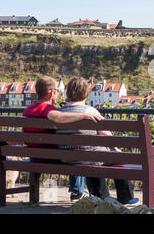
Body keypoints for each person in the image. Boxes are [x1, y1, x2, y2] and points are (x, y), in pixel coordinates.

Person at [57, 76, 139, 206]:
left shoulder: (59, 113)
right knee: (113, 156)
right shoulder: (90, 111)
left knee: (93, 154)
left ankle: (101, 195)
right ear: (86, 93)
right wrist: (117, 150)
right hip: (89, 157)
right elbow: (107, 135)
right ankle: (126, 197)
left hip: (66, 159)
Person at [22, 75, 105, 201]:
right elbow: (58, 118)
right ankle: (78, 191)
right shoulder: (47, 109)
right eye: (57, 91)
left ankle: (78, 191)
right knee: (76, 146)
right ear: (52, 92)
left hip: (34, 154)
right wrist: (84, 115)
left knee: (72, 146)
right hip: (52, 156)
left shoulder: (28, 110)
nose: (58, 94)